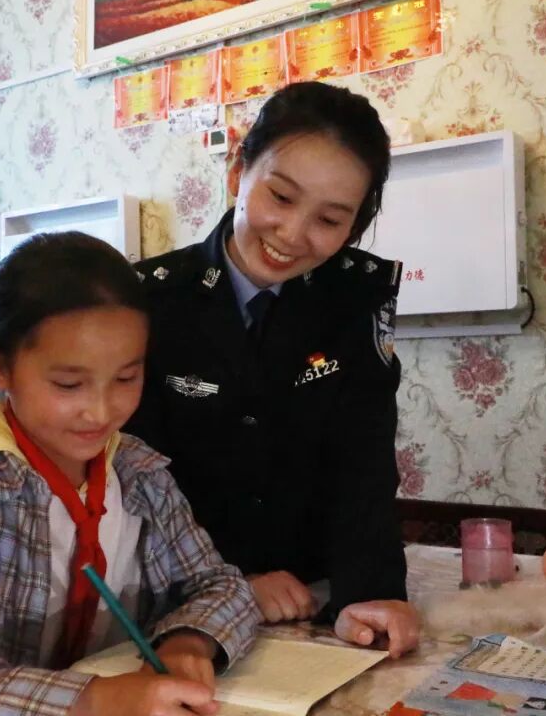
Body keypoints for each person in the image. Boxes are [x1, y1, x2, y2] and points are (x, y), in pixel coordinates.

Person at [0, 233, 260, 716]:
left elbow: (223, 585)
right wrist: (94, 700)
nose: (101, 412)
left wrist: (189, 641)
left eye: (126, 378)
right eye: (69, 384)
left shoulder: (139, 472)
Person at [125, 81, 419, 658]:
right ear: (238, 173)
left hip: (310, 594)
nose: (292, 234)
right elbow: (134, 476)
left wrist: (372, 594)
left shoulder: (354, 299)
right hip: (176, 595)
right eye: (281, 197)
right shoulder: (150, 300)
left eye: (329, 219)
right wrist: (224, 583)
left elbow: (363, 461)